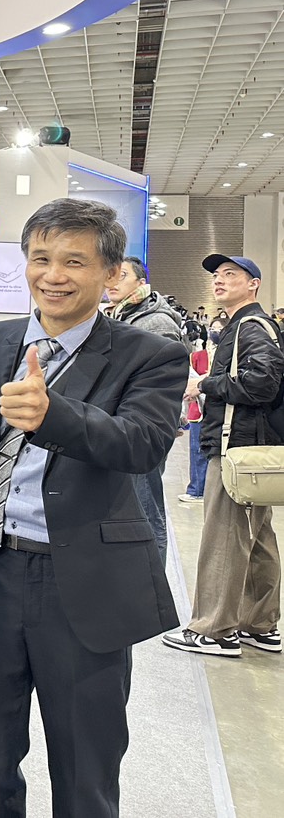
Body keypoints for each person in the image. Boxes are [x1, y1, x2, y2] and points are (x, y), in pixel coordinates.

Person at [0, 198, 186, 817]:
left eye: (74, 261)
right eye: (40, 258)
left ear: (111, 272)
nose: (53, 275)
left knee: (84, 768)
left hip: (84, 584)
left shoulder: (149, 352)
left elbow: (142, 444)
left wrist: (53, 416)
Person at [163, 254, 284, 657]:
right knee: (257, 537)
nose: (219, 280)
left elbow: (263, 384)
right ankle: (259, 624)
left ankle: (214, 630)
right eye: (217, 275)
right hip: (250, 446)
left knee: (225, 537)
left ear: (253, 284)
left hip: (237, 447)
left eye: (231, 274)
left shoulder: (251, 327)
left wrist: (206, 384)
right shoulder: (247, 325)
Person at [103, 255, 186, 564]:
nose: (113, 281)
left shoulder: (155, 322)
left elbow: (166, 383)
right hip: (121, 426)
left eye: (122, 275)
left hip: (144, 429)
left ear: (141, 282)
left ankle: (153, 580)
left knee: (146, 510)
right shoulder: (120, 315)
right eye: (110, 274)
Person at [178, 339, 210, 503]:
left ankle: (200, 490)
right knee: (197, 450)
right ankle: (197, 489)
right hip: (198, 409)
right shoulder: (196, 357)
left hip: (218, 410)